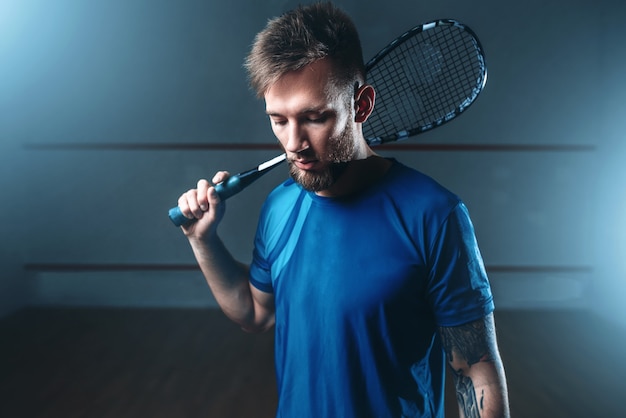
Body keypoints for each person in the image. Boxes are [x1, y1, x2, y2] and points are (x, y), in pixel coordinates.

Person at [176, 2, 510, 417]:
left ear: (362, 105)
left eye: (313, 117)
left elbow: (474, 368)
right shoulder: (279, 206)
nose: (294, 142)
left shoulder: (434, 215)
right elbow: (255, 313)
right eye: (278, 120)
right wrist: (202, 240)